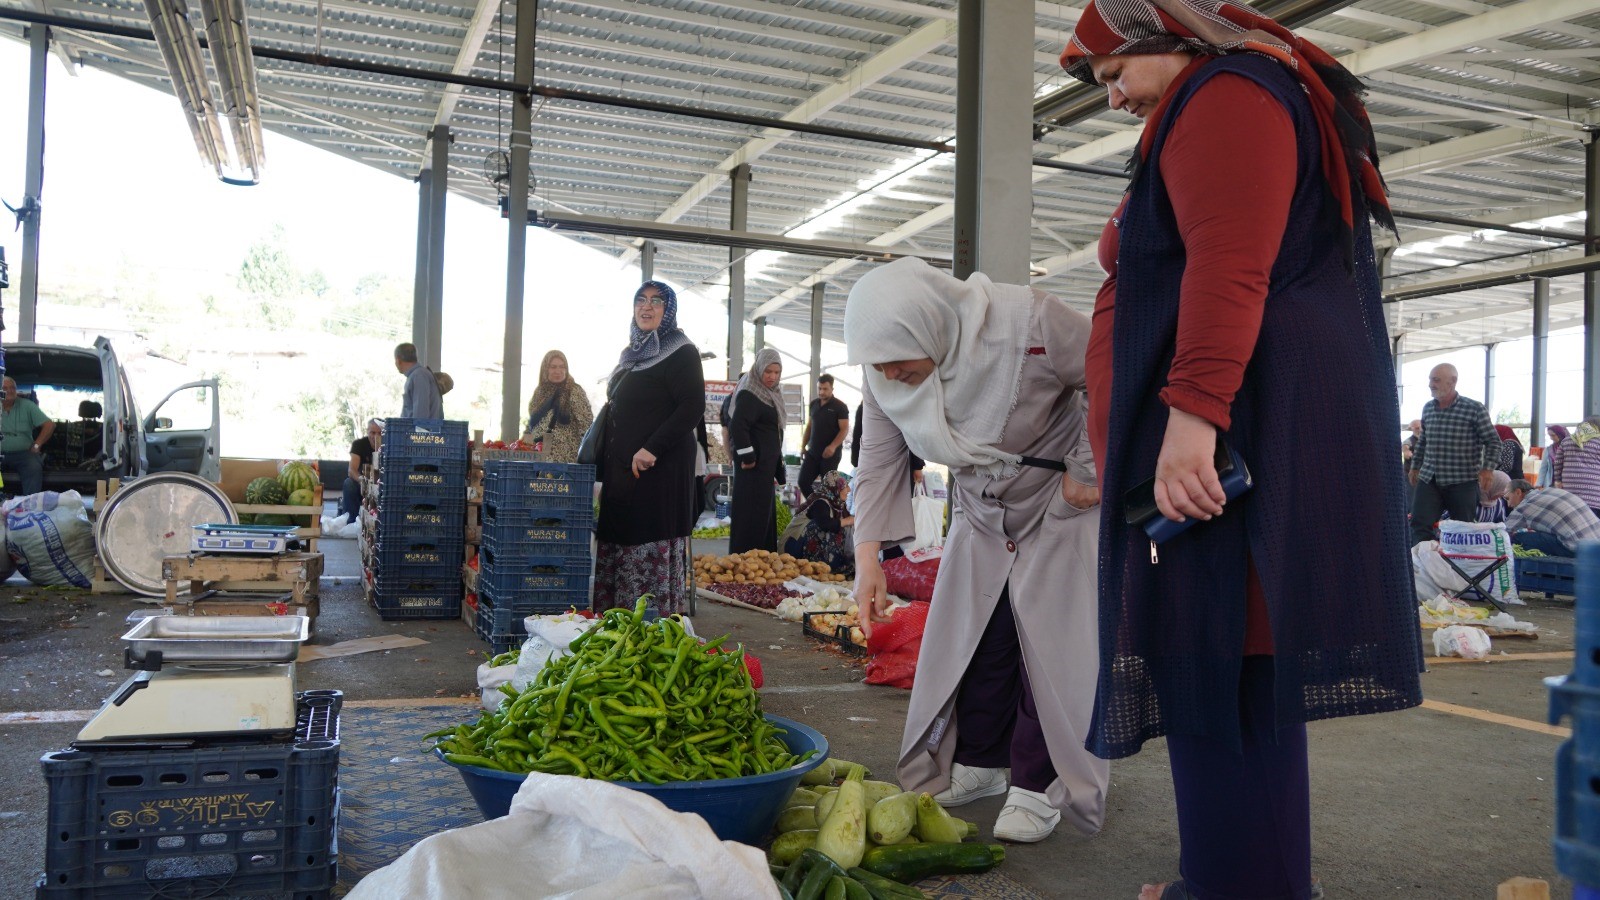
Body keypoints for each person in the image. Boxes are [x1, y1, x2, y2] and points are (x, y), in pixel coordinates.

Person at [1062, 1, 1422, 895]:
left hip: (1227, 444)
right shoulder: (1232, 96)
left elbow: (1230, 261)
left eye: (1116, 76)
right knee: (1225, 675)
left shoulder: (1227, 95)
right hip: (1227, 437)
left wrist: (1192, 418)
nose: (1112, 101)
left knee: (1219, 671)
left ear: (1165, 39)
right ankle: (1229, 878)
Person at [846, 256, 1108, 844]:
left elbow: (1109, 370)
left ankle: (1039, 785)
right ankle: (984, 763)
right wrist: (868, 560)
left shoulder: (1031, 325)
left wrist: (1084, 473)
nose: (888, 371)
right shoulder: (884, 367)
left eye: (897, 357)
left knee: (1048, 645)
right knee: (980, 638)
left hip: (1056, 503)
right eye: (877, 362)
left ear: (930, 324)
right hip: (981, 507)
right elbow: (880, 456)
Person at [593, 281, 704, 617]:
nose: (647, 307)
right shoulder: (632, 354)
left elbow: (691, 406)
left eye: (657, 302)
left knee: (645, 543)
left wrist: (651, 449)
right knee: (619, 541)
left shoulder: (681, 351)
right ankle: (615, 626)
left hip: (657, 475)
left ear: (668, 310)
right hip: (621, 476)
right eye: (641, 300)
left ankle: (648, 628)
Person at [1407, 363, 1500, 546]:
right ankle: (1422, 568)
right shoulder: (1428, 408)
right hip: (1429, 478)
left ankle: (1459, 571)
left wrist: (1488, 469)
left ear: (1453, 381)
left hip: (1462, 481)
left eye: (1436, 380)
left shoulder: (1474, 409)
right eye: (1430, 380)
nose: (1430, 384)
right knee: (1419, 524)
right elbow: (1423, 441)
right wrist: (1415, 466)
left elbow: (1493, 441)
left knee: (1462, 529)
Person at [727, 349, 786, 554]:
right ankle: (746, 563)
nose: (772, 377)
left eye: (777, 372)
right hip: (753, 469)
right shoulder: (751, 392)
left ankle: (763, 561)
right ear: (759, 369)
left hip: (764, 469)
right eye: (768, 371)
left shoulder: (768, 393)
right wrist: (749, 457)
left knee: (763, 517)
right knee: (752, 517)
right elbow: (737, 425)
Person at [522, 350, 595, 464]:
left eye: (562, 367)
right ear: (545, 369)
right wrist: (524, 450)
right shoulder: (539, 392)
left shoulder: (574, 390)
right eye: (553, 367)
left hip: (564, 461)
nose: (558, 371)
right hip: (538, 460)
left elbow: (587, 425)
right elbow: (531, 425)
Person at [783, 470, 855, 577]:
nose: (849, 490)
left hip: (804, 546)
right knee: (825, 528)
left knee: (840, 527)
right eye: (845, 486)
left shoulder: (837, 504)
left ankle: (833, 565)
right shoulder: (820, 501)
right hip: (793, 546)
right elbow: (825, 524)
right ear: (835, 487)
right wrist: (848, 520)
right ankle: (822, 566)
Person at [1505, 479, 1600, 557]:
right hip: (1596, 547)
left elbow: (1505, 532)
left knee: (1517, 538)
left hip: (1577, 550)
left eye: (1507, 498)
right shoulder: (1551, 491)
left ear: (1518, 492)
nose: (1509, 505)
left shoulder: (1525, 505)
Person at [799, 374, 850, 498]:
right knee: (803, 482)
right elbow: (810, 426)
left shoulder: (840, 407)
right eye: (819, 388)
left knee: (828, 488)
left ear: (832, 388)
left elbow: (844, 429)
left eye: (825, 389)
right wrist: (803, 446)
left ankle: (830, 514)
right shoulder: (814, 404)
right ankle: (816, 508)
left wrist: (833, 446)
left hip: (830, 455)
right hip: (813, 452)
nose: (821, 392)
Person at [851, 401, 924, 487]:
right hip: (876, 463)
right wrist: (856, 462)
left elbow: (912, 434)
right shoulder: (865, 407)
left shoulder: (901, 404)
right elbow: (858, 435)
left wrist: (917, 465)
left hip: (896, 462)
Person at [1, 377, 53, 496]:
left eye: (12, 387)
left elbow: (49, 425)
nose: (10, 391)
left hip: (23, 453)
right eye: (5, 388)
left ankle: (30, 506)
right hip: (0, 452)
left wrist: (37, 445)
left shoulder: (27, 405)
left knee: (34, 466)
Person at [1553, 416, 1600, 515]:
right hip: (1595, 497)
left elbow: (1557, 464)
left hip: (1570, 497)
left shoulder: (1566, 441)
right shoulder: (1598, 442)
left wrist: (1558, 481)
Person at [340, 419, 382, 524]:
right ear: (367, 431)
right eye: (372, 432)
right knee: (349, 483)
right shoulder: (359, 444)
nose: (376, 436)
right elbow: (351, 470)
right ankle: (351, 521)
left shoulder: (389, 446)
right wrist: (362, 481)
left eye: (379, 433)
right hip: (362, 484)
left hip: (381, 486)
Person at [395, 343, 442, 419]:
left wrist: (416, 430)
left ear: (398, 360)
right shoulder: (417, 375)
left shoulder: (419, 376)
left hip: (420, 430)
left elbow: (420, 415)